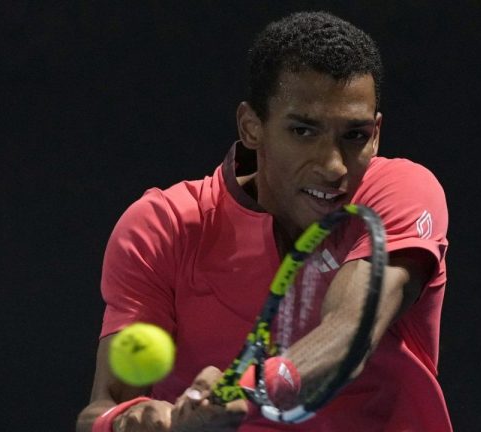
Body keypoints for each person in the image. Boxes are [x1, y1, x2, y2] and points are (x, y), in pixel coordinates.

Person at [77, 11, 451, 432]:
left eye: (355, 135)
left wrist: (243, 389)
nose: (333, 166)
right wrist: (134, 420)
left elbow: (351, 331)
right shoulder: (164, 227)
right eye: (304, 131)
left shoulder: (400, 191)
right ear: (252, 127)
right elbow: (102, 408)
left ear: (377, 133)